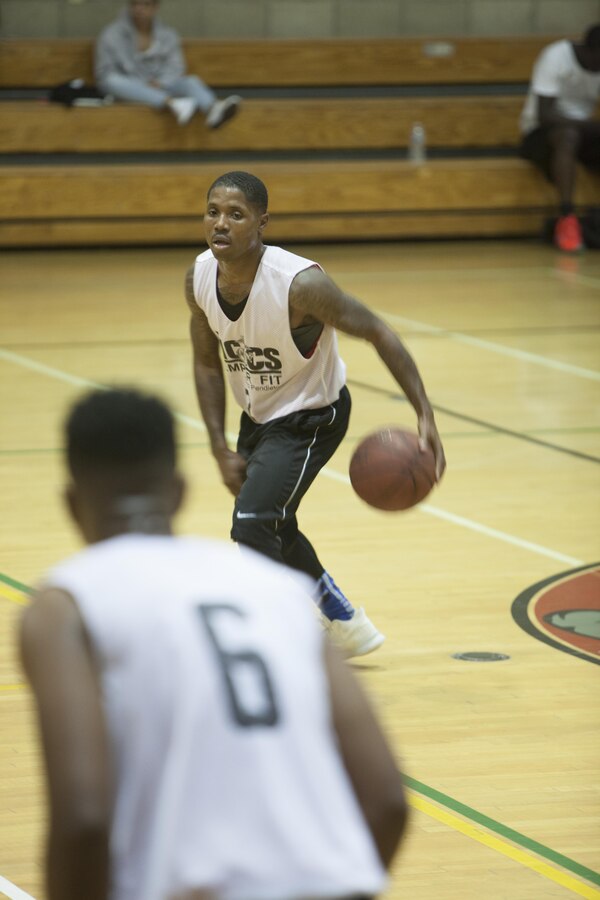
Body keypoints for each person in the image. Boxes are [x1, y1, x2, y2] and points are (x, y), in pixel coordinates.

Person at [19, 387, 408, 900]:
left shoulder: (64, 606)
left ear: (71, 505)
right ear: (180, 492)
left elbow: (85, 819)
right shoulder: (276, 588)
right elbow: (387, 801)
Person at [185, 171, 446, 659]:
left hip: (311, 416)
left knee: (252, 521)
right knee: (276, 525)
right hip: (259, 415)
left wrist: (424, 413)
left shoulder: (300, 285)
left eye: (235, 214)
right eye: (213, 212)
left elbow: (378, 332)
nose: (220, 223)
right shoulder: (199, 276)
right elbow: (205, 362)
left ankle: (286, 639)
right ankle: (346, 622)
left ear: (261, 223)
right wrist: (219, 446)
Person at [95, 0, 241, 128]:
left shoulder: (168, 34)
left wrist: (160, 82)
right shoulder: (111, 34)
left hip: (162, 85)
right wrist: (138, 85)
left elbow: (176, 66)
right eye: (135, 3)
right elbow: (104, 72)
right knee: (111, 81)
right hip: (131, 89)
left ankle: (213, 108)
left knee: (190, 81)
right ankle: (172, 103)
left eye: (146, 4)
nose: (139, 9)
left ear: (155, 7)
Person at [519, 25, 600, 253]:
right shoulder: (556, 57)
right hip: (539, 133)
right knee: (568, 136)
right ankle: (567, 218)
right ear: (591, 51)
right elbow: (545, 115)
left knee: (575, 134)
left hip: (583, 131)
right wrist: (591, 126)